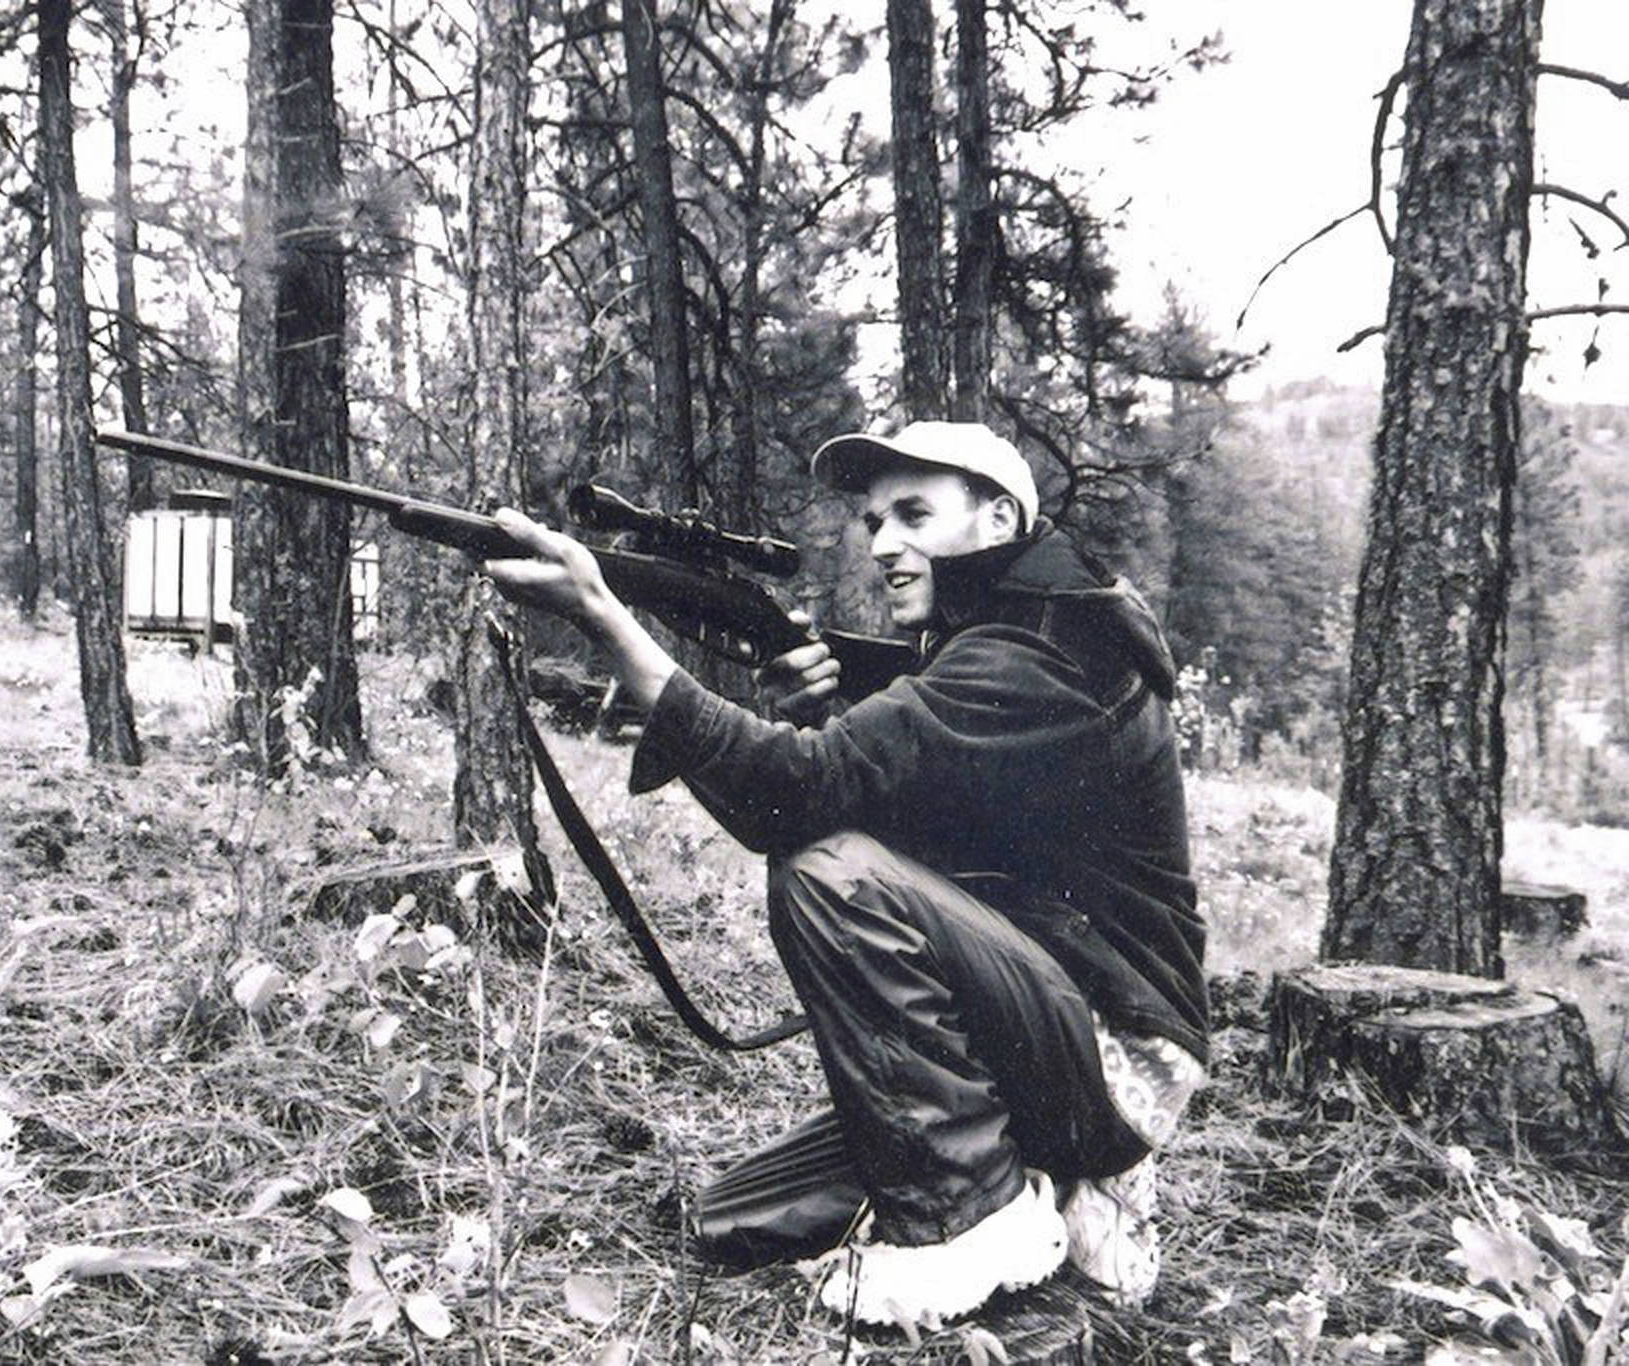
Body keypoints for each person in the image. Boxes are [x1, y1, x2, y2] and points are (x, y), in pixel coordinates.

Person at [482, 420, 1207, 1327]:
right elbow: (790, 809)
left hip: (1116, 1059)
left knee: (834, 874)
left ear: (998, 518)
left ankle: (974, 1225)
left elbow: (811, 818)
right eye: (874, 522)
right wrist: (803, 719)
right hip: (1035, 1024)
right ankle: (1056, 1193)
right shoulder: (985, 637)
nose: (885, 545)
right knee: (730, 1223)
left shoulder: (1045, 647)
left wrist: (607, 617)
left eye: (914, 513)